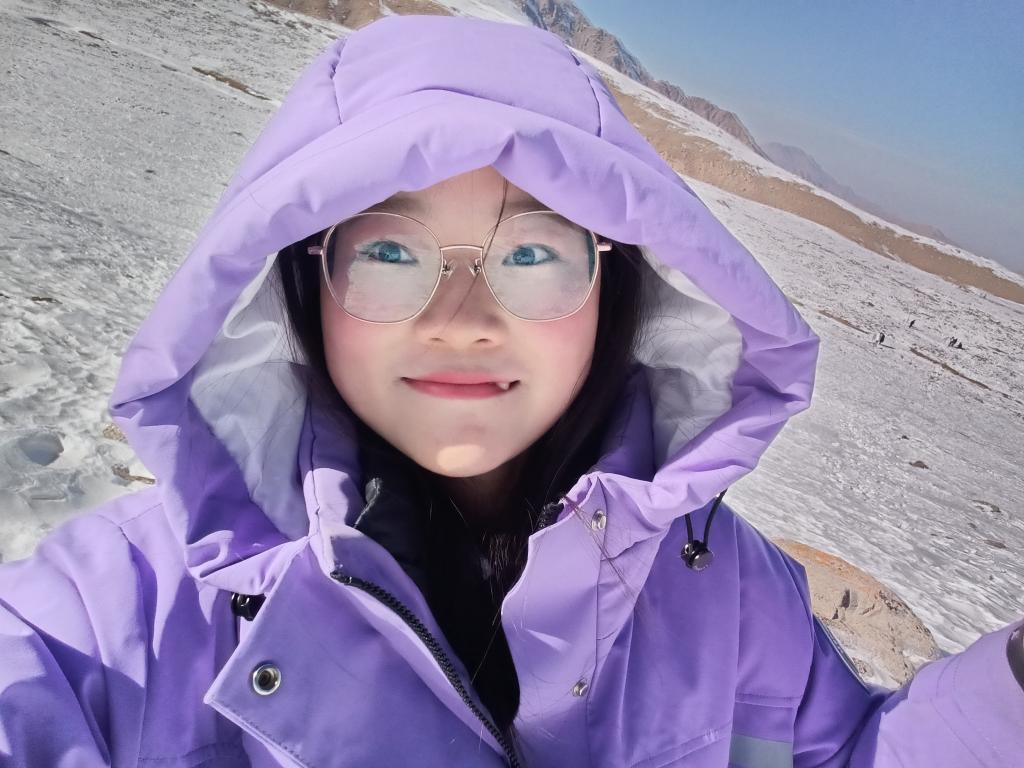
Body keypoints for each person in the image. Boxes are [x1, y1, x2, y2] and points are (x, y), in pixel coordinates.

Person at [1, 14, 1022, 768]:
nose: (462, 317)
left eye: (532, 252)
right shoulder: (127, 603)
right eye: (389, 249)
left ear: (618, 286)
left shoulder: (734, 595)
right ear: (304, 281)